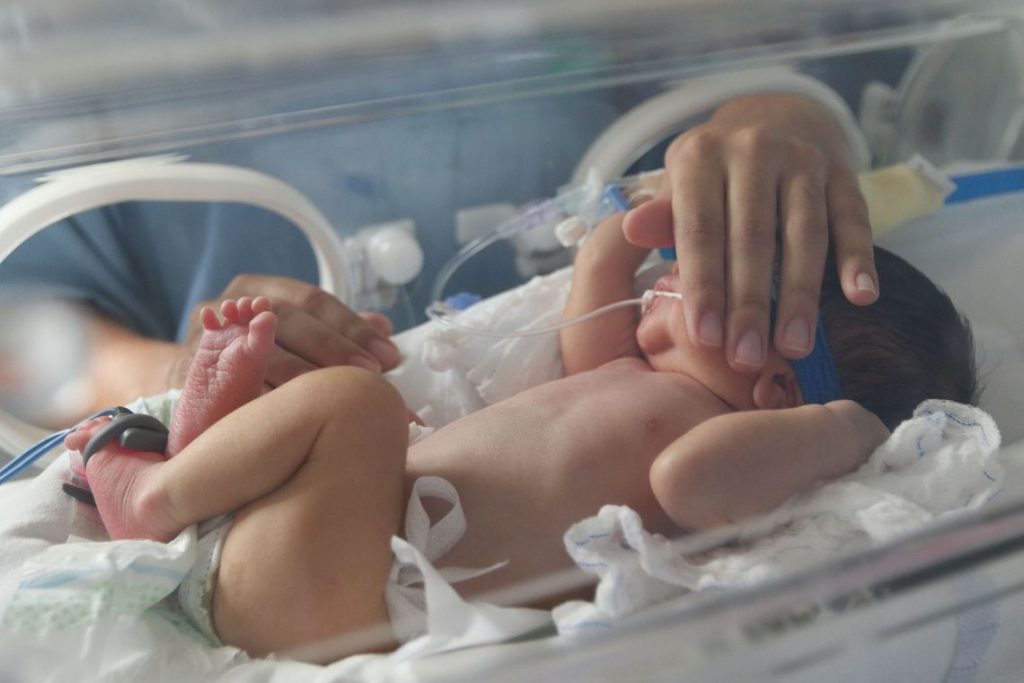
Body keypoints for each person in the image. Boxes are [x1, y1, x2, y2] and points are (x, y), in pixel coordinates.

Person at [61, 205, 977, 661]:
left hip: (341, 601)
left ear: (777, 379)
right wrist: (615, 240)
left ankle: (157, 493)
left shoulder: (723, 442)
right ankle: (203, 445)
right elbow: (587, 334)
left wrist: (843, 429)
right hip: (317, 539)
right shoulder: (636, 375)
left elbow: (692, 486)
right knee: (346, 406)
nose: (673, 272)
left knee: (358, 403)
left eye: (718, 284)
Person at [0, 94, 879, 427]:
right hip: (250, 403)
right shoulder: (70, 38)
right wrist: (174, 375)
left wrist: (778, 120)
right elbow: (21, 328)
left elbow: (799, 64)